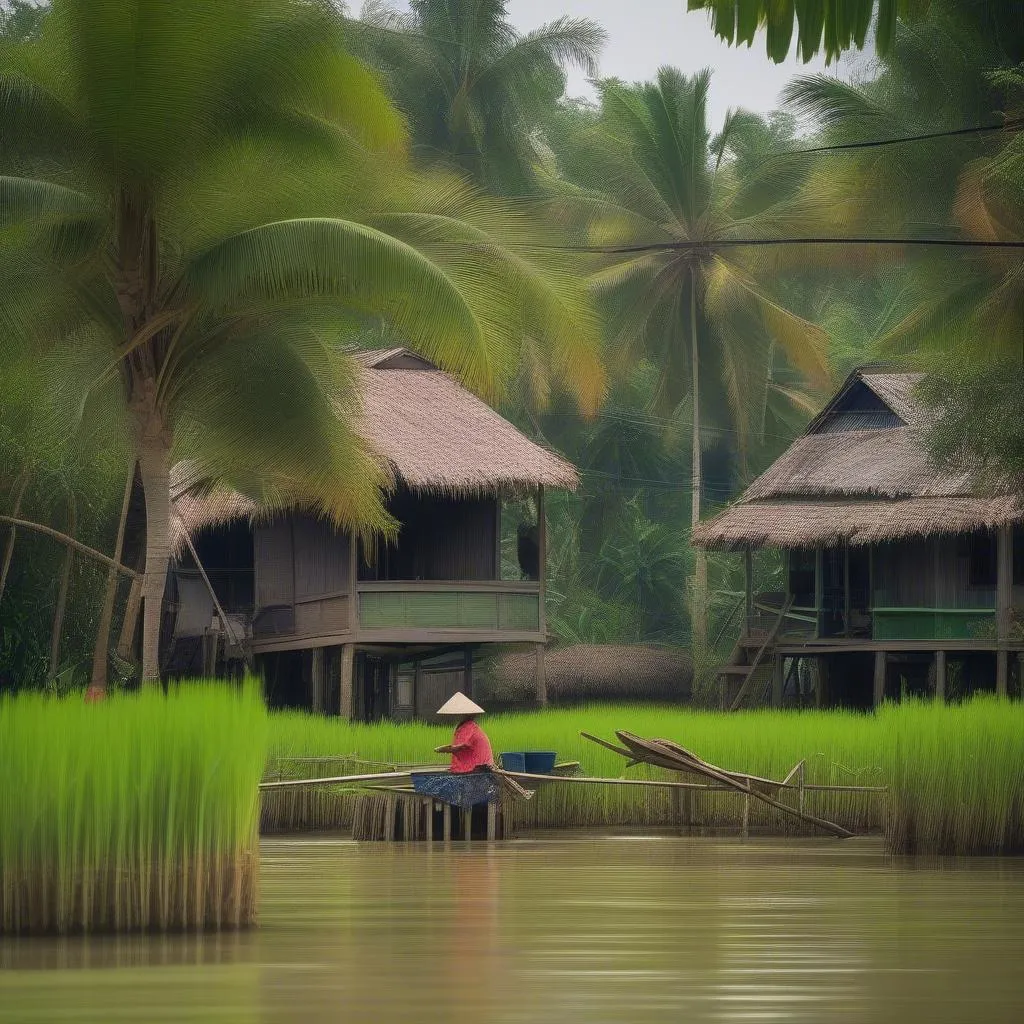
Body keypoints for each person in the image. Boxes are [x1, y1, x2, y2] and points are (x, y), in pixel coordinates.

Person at [434, 692, 494, 773]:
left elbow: (459, 747)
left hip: (479, 768)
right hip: (480, 766)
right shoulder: (469, 726)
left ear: (464, 715)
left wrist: (442, 749)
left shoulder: (469, 728)